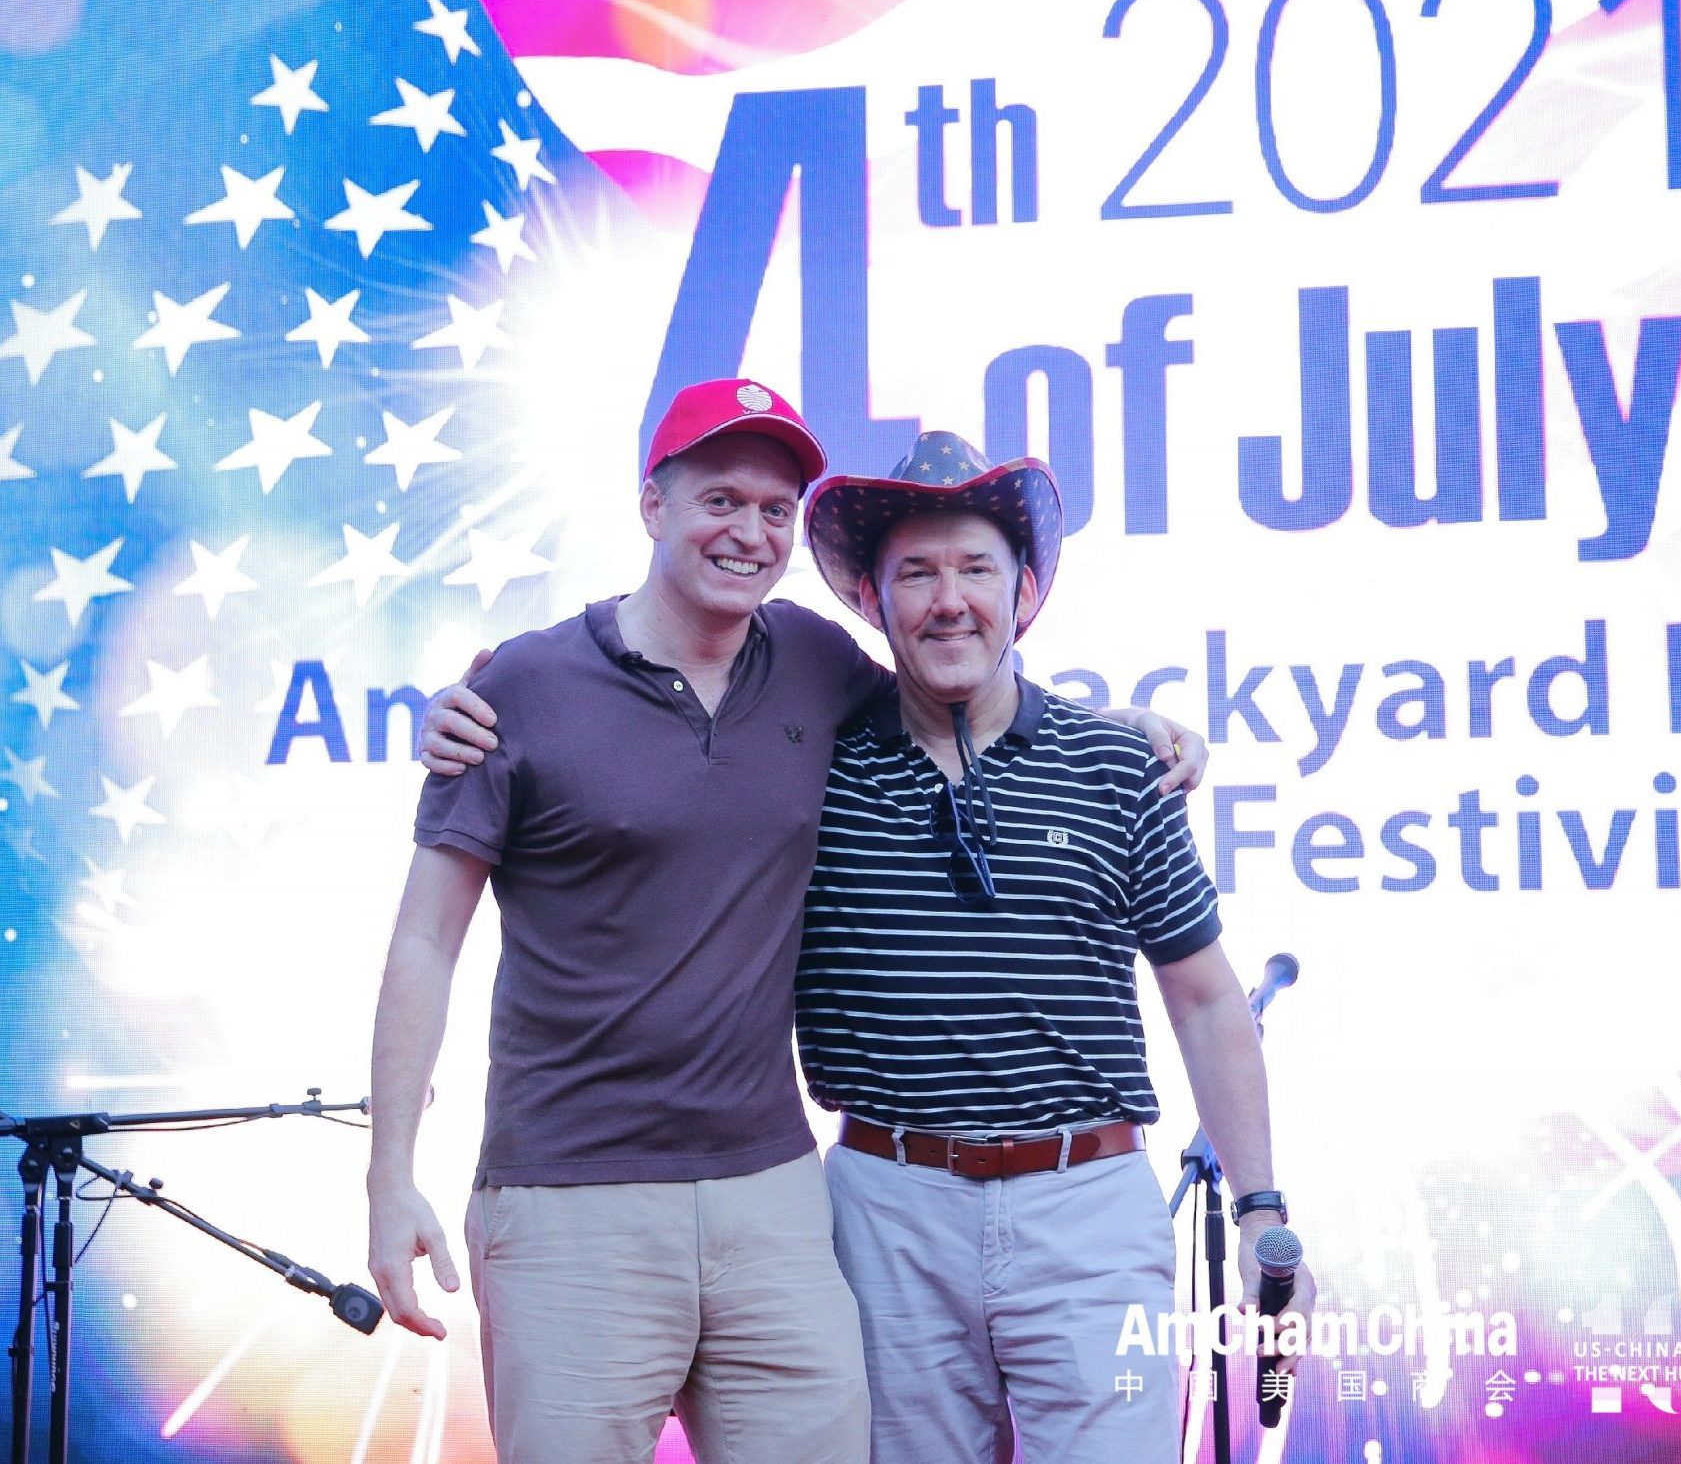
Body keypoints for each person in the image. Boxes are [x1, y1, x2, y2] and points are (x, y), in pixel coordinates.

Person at [371, 378, 1206, 1464]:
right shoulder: (522, 687)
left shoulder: (812, 663)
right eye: (720, 499)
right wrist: (390, 1173)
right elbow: (423, 941)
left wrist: (1127, 726)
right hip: (571, 1194)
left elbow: (957, 676)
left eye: (775, 509)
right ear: (652, 504)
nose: (750, 531)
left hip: (771, 1195)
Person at [793, 430, 1314, 1462]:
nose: (949, 599)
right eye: (916, 572)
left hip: (1089, 1212)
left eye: (976, 569)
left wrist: (1260, 1207)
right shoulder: (810, 771)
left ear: (1023, 591)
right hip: (884, 1211)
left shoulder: (1118, 761)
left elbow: (1207, 998)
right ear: (870, 598)